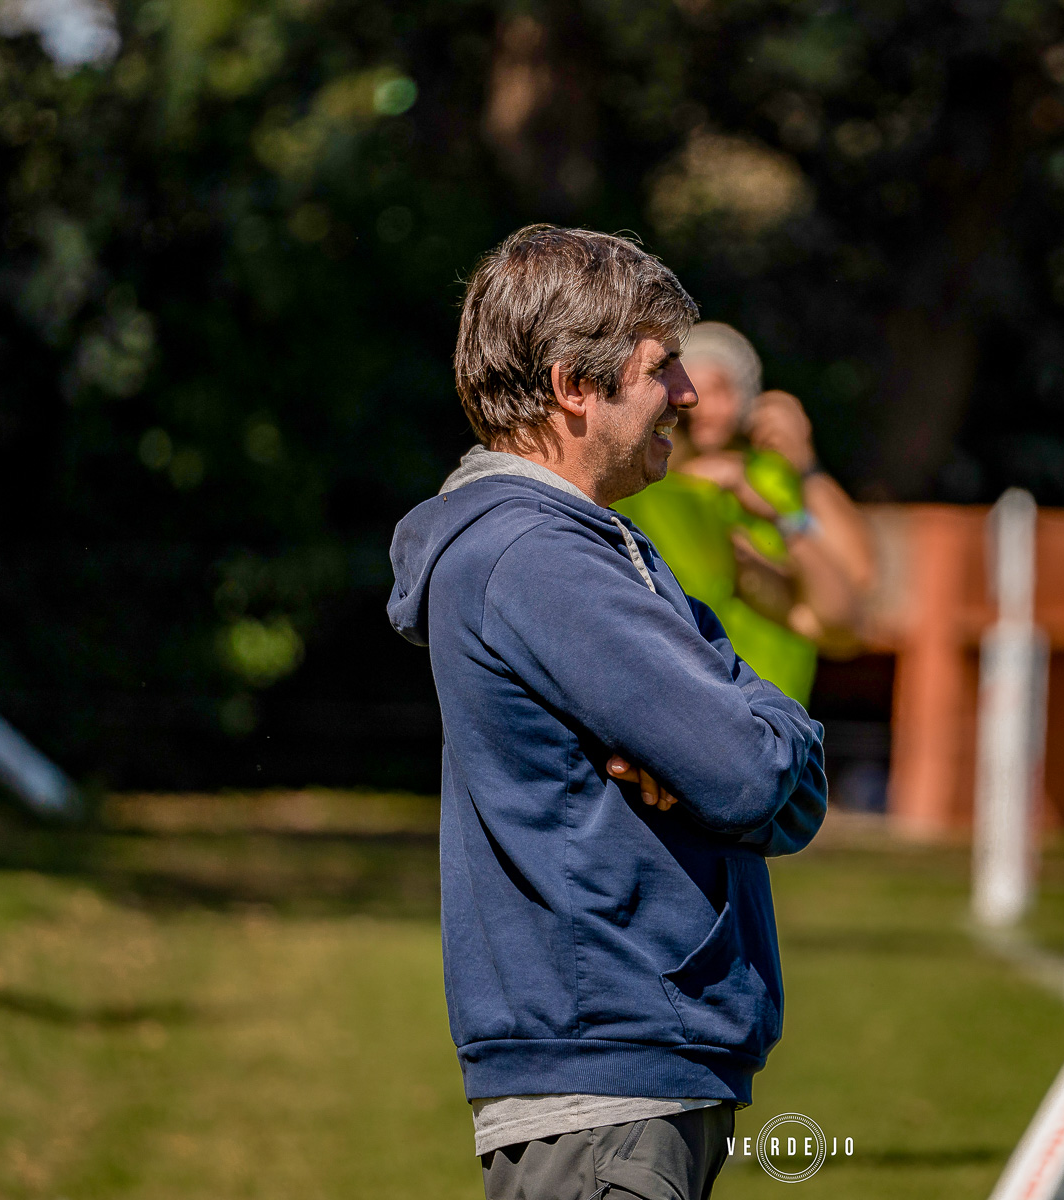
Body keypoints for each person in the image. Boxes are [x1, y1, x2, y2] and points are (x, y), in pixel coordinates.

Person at [387, 226, 826, 1200]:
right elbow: (752, 777)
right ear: (572, 386)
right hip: (605, 1087)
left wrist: (746, 738)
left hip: (635, 1080)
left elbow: (780, 765)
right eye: (661, 365)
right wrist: (740, 742)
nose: (689, 393)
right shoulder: (537, 557)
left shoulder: (592, 545)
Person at [614, 322, 875, 704]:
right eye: (690, 387)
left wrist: (800, 472)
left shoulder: (770, 476)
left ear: (747, 398)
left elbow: (851, 599)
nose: (701, 404)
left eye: (719, 389)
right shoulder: (642, 486)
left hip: (772, 708)